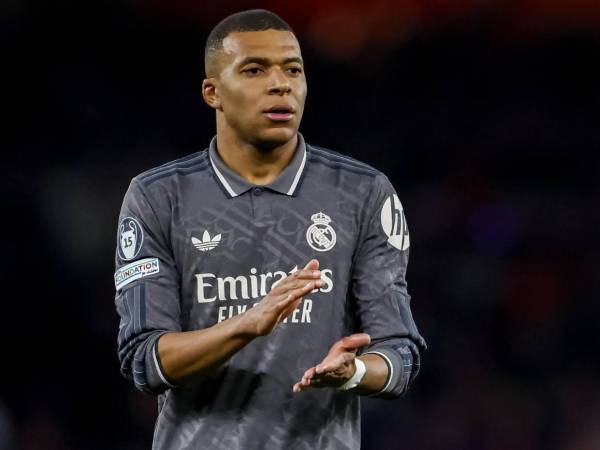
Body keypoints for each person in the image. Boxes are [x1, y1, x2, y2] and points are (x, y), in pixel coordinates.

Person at [114, 9, 426, 450]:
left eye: (293, 70)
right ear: (212, 92)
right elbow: (145, 362)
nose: (281, 84)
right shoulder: (159, 197)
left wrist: (354, 371)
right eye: (255, 70)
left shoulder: (362, 193)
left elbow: (400, 356)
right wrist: (248, 324)